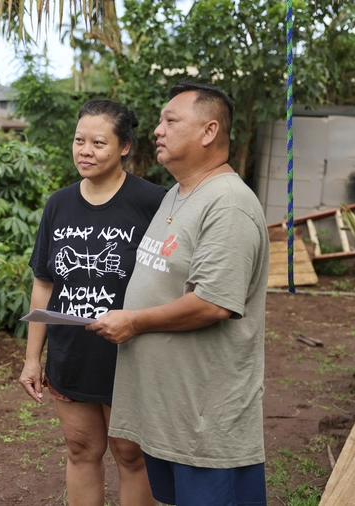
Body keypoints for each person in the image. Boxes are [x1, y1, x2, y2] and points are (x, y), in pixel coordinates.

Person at [87, 81, 270, 506]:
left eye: (171, 120)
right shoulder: (178, 193)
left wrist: (132, 321)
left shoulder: (227, 204)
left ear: (208, 132)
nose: (157, 130)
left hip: (205, 418)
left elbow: (214, 302)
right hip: (171, 411)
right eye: (160, 121)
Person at [19, 100, 166, 506]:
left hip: (132, 353)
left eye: (98, 142)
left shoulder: (154, 202)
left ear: (124, 147)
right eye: (79, 140)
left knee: (132, 456)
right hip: (73, 354)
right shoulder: (59, 204)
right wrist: (34, 358)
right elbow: (44, 283)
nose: (85, 150)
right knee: (81, 451)